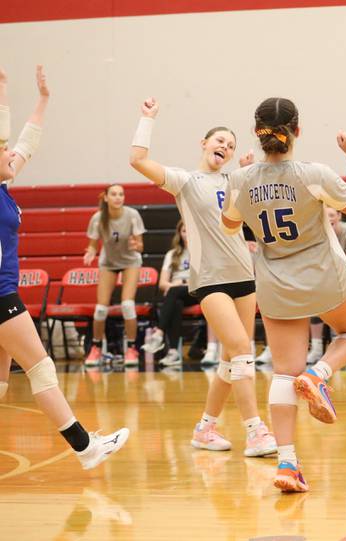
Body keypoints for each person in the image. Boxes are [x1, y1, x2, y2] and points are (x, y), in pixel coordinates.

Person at [221, 96, 346, 492]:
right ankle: (319, 372)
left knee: (282, 374)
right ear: (297, 131)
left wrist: (246, 182)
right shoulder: (313, 173)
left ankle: (287, 464)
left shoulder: (239, 179)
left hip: (275, 282)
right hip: (325, 275)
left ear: (257, 133)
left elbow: (229, 225)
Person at [129, 98, 275, 457]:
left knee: (231, 359)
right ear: (204, 143)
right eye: (219, 141)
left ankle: (205, 429)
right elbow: (137, 160)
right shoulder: (186, 181)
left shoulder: (236, 179)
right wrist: (147, 119)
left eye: (230, 144)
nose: (224, 147)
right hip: (209, 280)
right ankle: (255, 431)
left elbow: (254, 220)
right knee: (243, 351)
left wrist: (249, 175)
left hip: (244, 276)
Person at [0, 65, 128, 467]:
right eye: (3, 151)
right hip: (1, 297)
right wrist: (2, 91)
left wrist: (42, 100)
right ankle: (85, 447)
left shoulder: (3, 184)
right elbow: (7, 137)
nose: (11, 155)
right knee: (41, 369)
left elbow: (27, 142)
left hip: (4, 293)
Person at [83, 184, 145, 367]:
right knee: (101, 309)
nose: (118, 197)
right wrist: (91, 252)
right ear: (106, 198)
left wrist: (136, 246)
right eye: (114, 194)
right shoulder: (98, 218)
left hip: (130, 262)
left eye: (121, 194)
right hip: (108, 263)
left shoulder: (132, 215)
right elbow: (93, 244)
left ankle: (132, 348)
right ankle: (95, 348)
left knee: (127, 304)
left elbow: (140, 246)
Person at [307, 206, 346, 364]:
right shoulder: (317, 233)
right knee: (314, 300)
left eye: (332, 215)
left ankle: (339, 346)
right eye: (325, 216)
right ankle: (316, 349)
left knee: (335, 301)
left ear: (339, 216)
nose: (329, 219)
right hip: (324, 279)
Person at [143, 220, 196, 366]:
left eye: (190, 230)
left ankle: (159, 334)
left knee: (173, 292)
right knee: (176, 303)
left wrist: (182, 284)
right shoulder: (172, 254)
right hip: (177, 292)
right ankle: (173, 352)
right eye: (184, 231)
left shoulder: (202, 250)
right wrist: (175, 285)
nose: (187, 234)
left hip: (197, 291)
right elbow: (162, 283)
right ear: (180, 233)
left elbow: (205, 278)